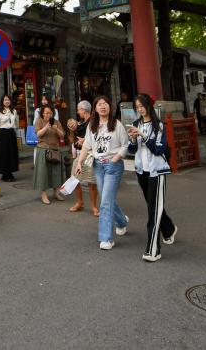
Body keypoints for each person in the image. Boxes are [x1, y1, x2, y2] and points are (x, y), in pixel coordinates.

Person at [125, 93, 177, 262]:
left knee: (153, 211)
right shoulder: (135, 124)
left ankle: (153, 250)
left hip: (157, 171)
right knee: (153, 205)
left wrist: (144, 136)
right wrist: (133, 139)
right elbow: (131, 150)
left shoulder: (159, 125)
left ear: (149, 105)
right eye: (137, 107)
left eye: (142, 106)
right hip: (142, 171)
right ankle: (169, 229)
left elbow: (159, 149)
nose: (140, 109)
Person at [75, 95, 129, 250]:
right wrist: (79, 162)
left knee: (105, 201)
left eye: (105, 104)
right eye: (99, 104)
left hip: (113, 166)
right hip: (98, 166)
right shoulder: (92, 125)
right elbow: (87, 145)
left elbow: (125, 145)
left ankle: (106, 238)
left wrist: (115, 158)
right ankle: (121, 221)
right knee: (107, 197)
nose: (103, 106)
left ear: (110, 107)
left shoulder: (116, 124)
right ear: (95, 108)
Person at [67, 100, 98, 215]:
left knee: (91, 181)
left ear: (83, 110)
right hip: (80, 154)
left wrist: (85, 140)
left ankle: (94, 206)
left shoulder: (94, 121)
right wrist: (71, 130)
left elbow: (98, 137)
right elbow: (72, 140)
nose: (77, 112)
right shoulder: (80, 123)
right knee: (74, 179)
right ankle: (79, 202)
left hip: (90, 154)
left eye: (78, 110)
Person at [33, 104, 65, 205]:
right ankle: (44, 194)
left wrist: (56, 129)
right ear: (42, 113)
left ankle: (56, 193)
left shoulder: (56, 122)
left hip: (55, 150)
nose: (48, 115)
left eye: (50, 113)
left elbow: (62, 135)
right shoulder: (39, 121)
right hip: (43, 149)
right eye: (46, 113)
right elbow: (38, 134)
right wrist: (46, 127)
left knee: (56, 172)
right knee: (43, 173)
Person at [0, 94, 19, 182]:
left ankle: (10, 172)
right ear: (2, 101)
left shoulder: (14, 111)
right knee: (4, 154)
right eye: (5, 100)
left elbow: (16, 123)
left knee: (12, 153)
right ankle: (5, 174)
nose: (7, 101)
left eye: (8, 100)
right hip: (3, 134)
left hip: (11, 133)